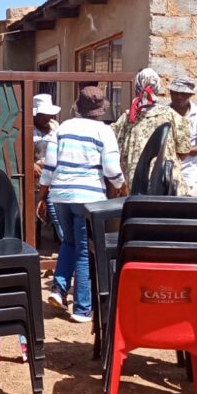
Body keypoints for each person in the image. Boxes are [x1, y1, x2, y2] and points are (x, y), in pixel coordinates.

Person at [37, 86, 126, 324]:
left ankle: (58, 288)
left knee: (69, 242)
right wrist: (122, 186)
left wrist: (42, 197)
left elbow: (49, 166)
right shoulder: (104, 131)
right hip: (88, 198)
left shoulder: (63, 128)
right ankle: (82, 308)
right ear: (99, 110)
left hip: (60, 195)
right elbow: (111, 169)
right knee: (85, 251)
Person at [112, 68, 191, 194]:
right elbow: (183, 151)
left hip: (136, 184)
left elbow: (115, 149)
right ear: (157, 87)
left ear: (137, 87)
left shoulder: (127, 118)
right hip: (166, 182)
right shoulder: (172, 116)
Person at [168, 77, 197, 196]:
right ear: (170, 93)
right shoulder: (163, 114)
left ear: (190, 95)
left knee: (189, 211)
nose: (179, 97)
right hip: (165, 174)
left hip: (189, 176)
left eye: (183, 93)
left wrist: (182, 151)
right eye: (175, 93)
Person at [32, 93, 62, 243]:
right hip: (36, 176)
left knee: (56, 209)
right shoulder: (28, 127)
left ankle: (59, 242)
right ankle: (35, 242)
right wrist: (31, 164)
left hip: (54, 173)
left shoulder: (55, 126)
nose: (47, 118)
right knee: (35, 209)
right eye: (44, 114)